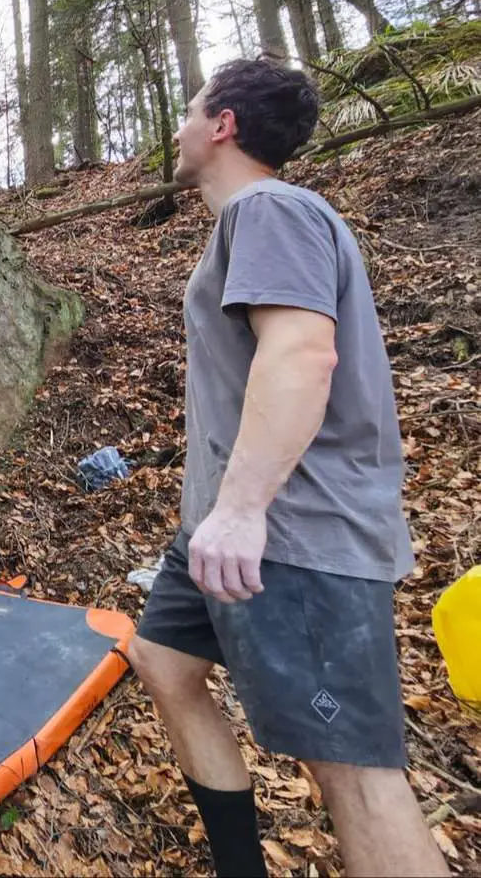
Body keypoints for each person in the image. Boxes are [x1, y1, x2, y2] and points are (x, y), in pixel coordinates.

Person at [127, 59, 448, 877]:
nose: (179, 127)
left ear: (224, 124)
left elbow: (302, 352)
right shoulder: (253, 219)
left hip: (292, 532)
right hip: (220, 528)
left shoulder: (268, 208)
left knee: (354, 776)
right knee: (164, 662)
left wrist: (241, 509)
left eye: (190, 109)